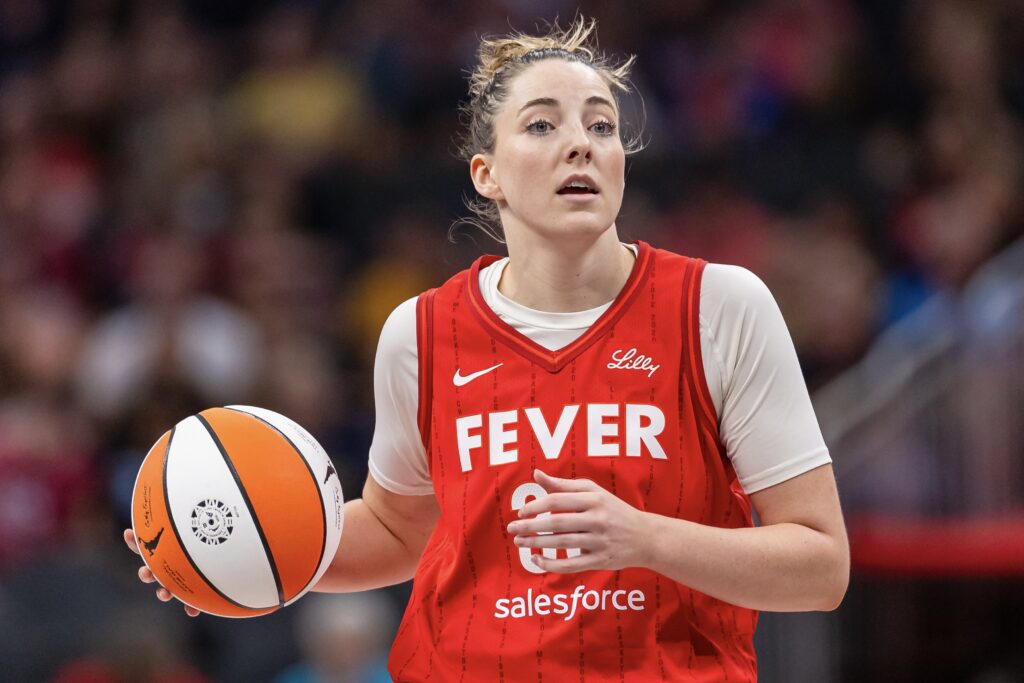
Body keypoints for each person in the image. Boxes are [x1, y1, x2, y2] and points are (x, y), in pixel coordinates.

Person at [126, 17, 849, 681]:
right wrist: (226, 547)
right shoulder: (420, 332)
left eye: (602, 126)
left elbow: (821, 566)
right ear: (487, 174)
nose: (582, 143)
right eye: (542, 124)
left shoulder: (719, 307)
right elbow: (396, 530)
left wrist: (644, 537)